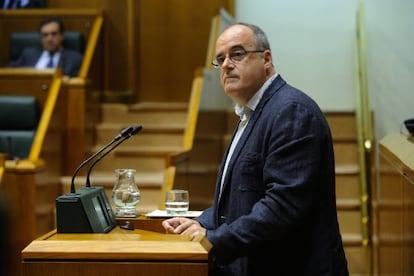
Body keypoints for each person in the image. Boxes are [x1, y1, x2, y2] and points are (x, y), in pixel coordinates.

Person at [162, 22, 349, 275]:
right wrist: (197, 223)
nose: (226, 64)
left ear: (267, 59)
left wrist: (213, 239)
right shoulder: (251, 114)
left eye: (237, 54)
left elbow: (283, 206)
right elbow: (242, 201)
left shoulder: (290, 112)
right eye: (220, 59)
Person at [7, 17, 83, 77]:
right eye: (45, 35)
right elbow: (9, 72)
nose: (49, 39)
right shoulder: (28, 54)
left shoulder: (75, 59)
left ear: (62, 36)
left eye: (54, 34)